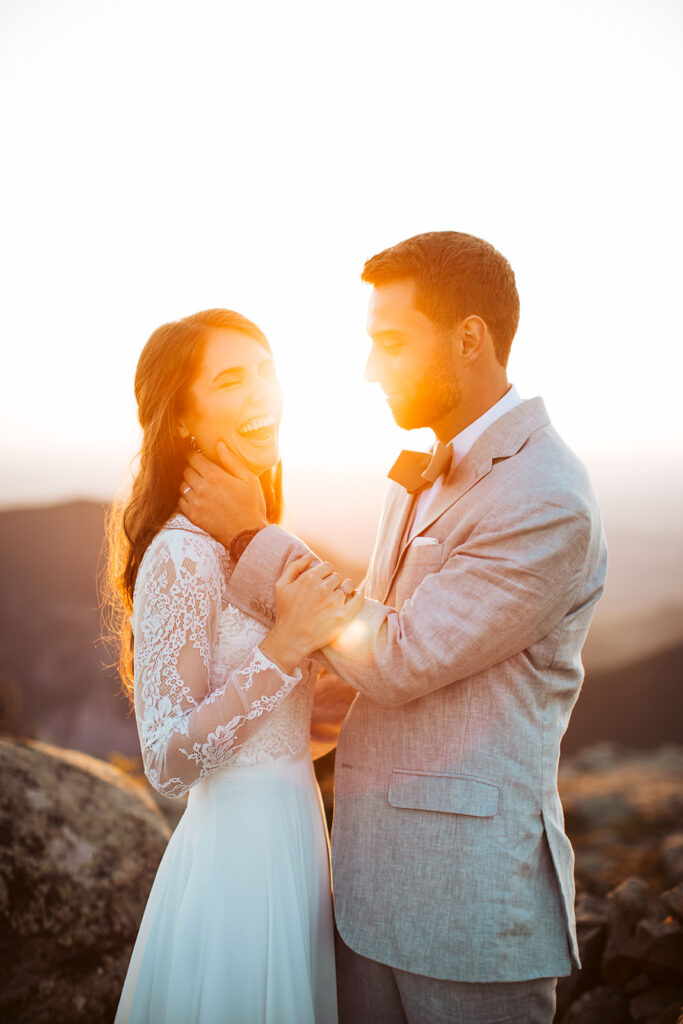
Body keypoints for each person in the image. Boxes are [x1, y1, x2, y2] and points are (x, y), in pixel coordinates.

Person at [178, 232, 609, 1024]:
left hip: (466, 905)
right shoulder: (420, 472)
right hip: (362, 891)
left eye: (390, 343)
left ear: (468, 337)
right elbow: (362, 639)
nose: (370, 369)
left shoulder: (544, 496)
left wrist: (252, 537)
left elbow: (401, 655)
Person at [108, 308, 361, 1024]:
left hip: (293, 835)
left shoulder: (244, 544)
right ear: (182, 419)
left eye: (266, 373)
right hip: (238, 864)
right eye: (230, 380)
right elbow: (167, 761)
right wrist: (283, 650)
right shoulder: (182, 556)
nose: (262, 396)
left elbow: (283, 730)